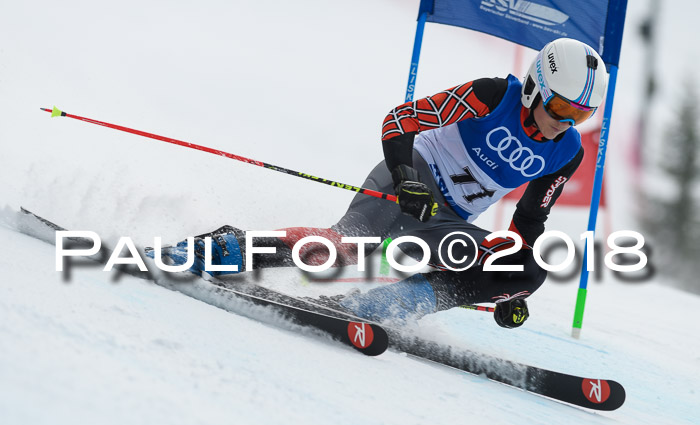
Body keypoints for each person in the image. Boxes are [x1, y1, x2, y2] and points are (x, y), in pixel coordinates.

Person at [155, 38, 608, 328]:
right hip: (410, 178)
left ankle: (383, 308)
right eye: (561, 109)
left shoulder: (567, 151)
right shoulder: (492, 95)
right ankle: (222, 248)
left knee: (528, 267)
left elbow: (529, 219)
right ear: (535, 88)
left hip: (445, 223)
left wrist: (506, 288)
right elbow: (400, 121)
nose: (565, 124)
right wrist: (406, 177)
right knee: (344, 246)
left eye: (580, 116)